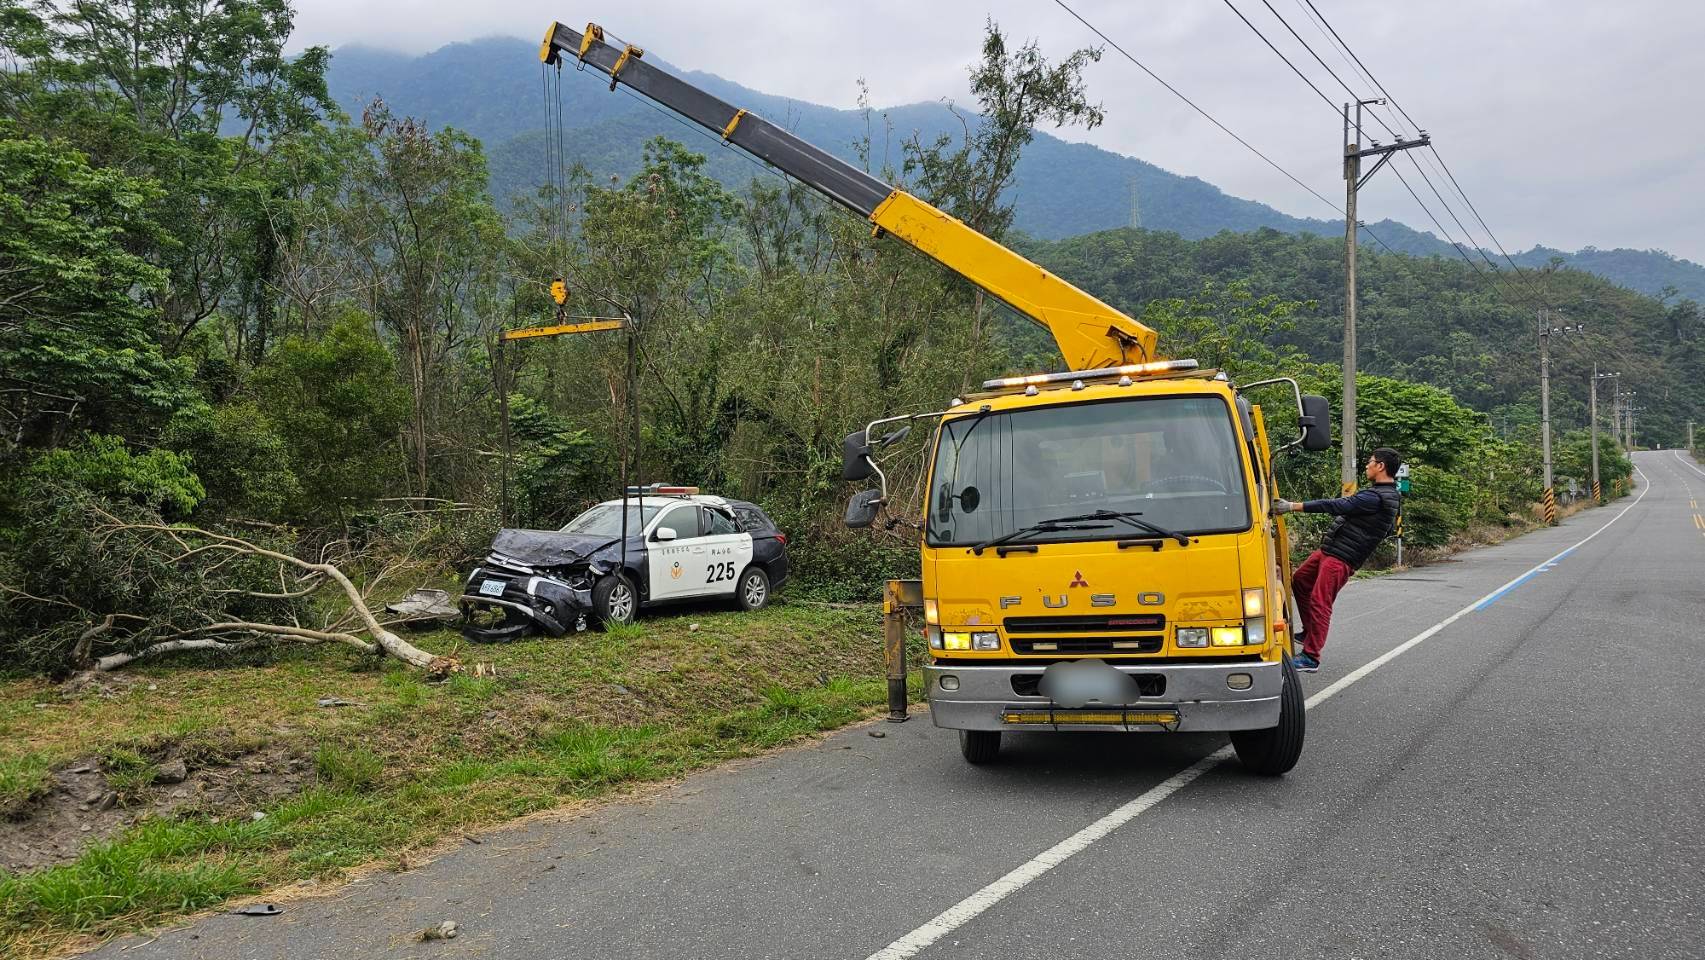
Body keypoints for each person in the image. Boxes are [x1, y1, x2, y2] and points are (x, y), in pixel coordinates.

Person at [1271, 447, 1403, 672]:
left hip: (1342, 557)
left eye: (1371, 462)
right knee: (1301, 580)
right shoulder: (1382, 495)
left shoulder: (1376, 497)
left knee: (1320, 601)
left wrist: (1292, 506)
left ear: (1381, 466)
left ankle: (1311, 657)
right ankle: (1311, 631)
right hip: (1331, 550)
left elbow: (1335, 505)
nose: (1367, 465)